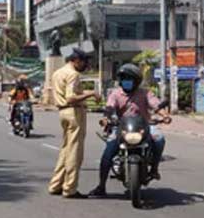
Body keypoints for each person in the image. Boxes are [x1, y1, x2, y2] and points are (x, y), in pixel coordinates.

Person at [88, 64, 170, 198]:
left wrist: (164, 116)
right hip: (121, 127)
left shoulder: (145, 93)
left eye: (129, 79)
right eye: (124, 78)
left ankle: (154, 168)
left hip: (144, 126)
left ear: (136, 81)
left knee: (160, 139)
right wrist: (106, 119)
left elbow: (155, 104)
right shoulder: (115, 94)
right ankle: (101, 186)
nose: (126, 81)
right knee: (107, 154)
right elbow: (109, 108)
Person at [47, 48, 96, 199]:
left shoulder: (57, 73)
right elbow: (70, 97)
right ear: (76, 61)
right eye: (83, 62)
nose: (84, 66)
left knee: (65, 150)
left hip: (62, 113)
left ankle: (56, 185)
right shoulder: (72, 74)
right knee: (75, 152)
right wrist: (90, 93)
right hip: (73, 112)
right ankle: (70, 188)